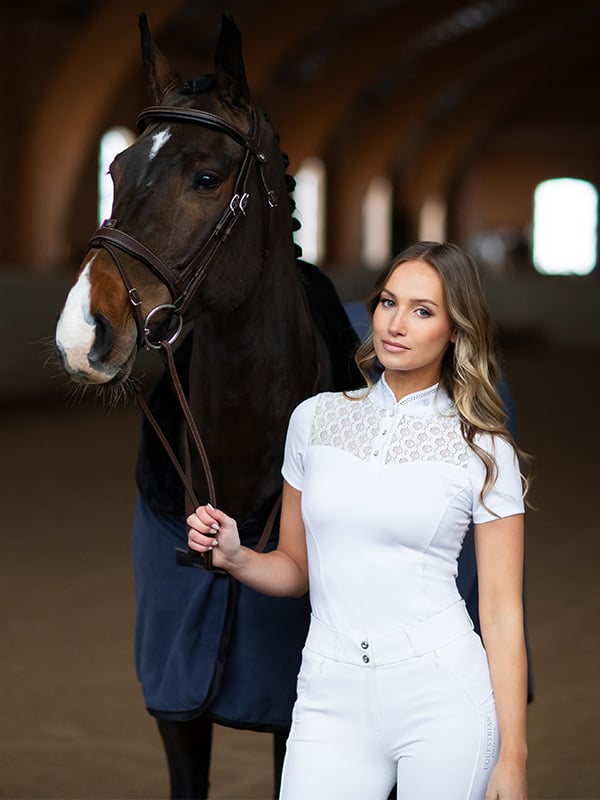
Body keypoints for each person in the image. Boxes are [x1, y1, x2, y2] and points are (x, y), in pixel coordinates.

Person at [187, 241, 530, 800]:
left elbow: (500, 609)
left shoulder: (484, 449)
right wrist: (236, 555)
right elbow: (296, 568)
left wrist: (512, 759)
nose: (396, 324)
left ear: (455, 329)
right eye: (388, 302)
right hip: (329, 691)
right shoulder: (314, 420)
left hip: (442, 696)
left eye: (423, 310)